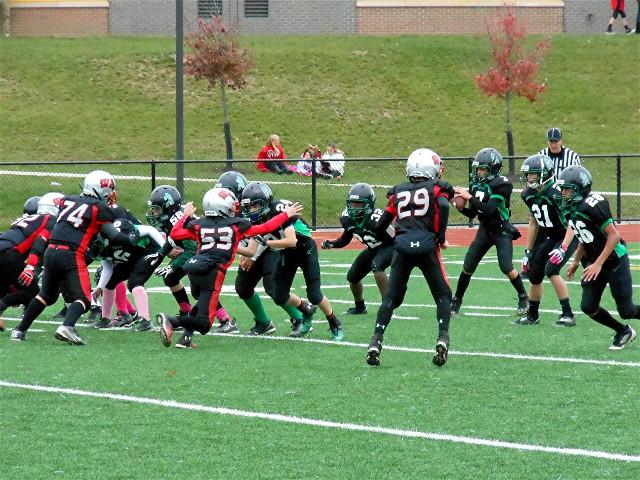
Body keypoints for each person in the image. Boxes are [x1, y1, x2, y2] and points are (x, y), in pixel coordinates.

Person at [157, 189, 303, 349]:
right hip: (213, 273)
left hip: (194, 270)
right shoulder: (236, 226)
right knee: (204, 324)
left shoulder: (199, 225)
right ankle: (171, 321)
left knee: (202, 305)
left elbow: (175, 234)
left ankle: (186, 338)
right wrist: (285, 214)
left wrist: (186, 215)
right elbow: (266, 227)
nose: (234, 208)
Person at [11, 170, 138, 344]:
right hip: (71, 254)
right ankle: (67, 327)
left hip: (51, 251)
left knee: (45, 296)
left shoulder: (67, 200)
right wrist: (131, 240)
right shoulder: (99, 208)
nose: (110, 195)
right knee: (84, 299)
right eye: (108, 191)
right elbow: (113, 236)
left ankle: (19, 330)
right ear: (100, 190)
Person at [365, 148, 454, 367]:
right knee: (443, 294)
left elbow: (381, 224)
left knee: (391, 298)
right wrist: (440, 236)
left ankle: (376, 340)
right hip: (427, 246)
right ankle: (442, 337)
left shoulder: (398, 192)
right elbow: (443, 205)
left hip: (403, 247)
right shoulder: (437, 188)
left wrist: (396, 236)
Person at [240, 181, 344, 341]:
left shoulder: (279, 210)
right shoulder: (257, 219)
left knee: (314, 295)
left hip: (305, 249)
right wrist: (232, 248)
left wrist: (267, 242)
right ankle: (306, 311)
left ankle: (334, 322)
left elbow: (291, 240)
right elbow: (251, 250)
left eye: (255, 205)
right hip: (287, 252)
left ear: (266, 202)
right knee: (279, 295)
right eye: (249, 207)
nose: (252, 210)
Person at [559, 165, 638, 349]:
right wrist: (576, 261)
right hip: (594, 261)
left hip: (614, 260)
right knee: (588, 306)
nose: (563, 193)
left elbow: (614, 235)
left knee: (627, 310)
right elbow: (584, 235)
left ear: (580, 188)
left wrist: (598, 264)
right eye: (562, 189)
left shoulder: (593, 204)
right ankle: (623, 331)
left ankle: (625, 324)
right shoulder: (570, 208)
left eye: (567, 189)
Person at [451, 148, 529, 317]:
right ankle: (456, 301)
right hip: (485, 229)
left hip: (501, 230)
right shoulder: (477, 184)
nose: (479, 172)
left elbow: (489, 210)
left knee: (506, 267)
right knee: (468, 266)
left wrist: (468, 197)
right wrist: (460, 207)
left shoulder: (502, 184)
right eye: (478, 168)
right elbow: (473, 213)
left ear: (493, 169)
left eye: (482, 169)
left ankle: (523, 296)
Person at [515, 154, 579, 327]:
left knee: (551, 269)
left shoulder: (556, 193)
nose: (529, 178)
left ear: (544, 173)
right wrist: (528, 252)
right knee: (535, 272)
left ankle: (568, 314)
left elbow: (572, 222)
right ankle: (532, 315)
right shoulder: (528, 194)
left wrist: (563, 248)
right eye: (528, 174)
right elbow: (533, 222)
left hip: (569, 235)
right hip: (552, 236)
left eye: (533, 174)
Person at [321, 183, 394, 315]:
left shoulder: (377, 219)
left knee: (377, 266)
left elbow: (396, 238)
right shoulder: (347, 219)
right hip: (373, 249)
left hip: (390, 247)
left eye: (359, 204)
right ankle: (360, 307)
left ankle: (387, 306)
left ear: (369, 204)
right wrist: (333, 244)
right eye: (352, 203)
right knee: (353, 277)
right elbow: (346, 238)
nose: (354, 207)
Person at [0, 193, 63, 332]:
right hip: (9, 253)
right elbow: (39, 243)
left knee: (5, 288)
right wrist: (30, 267)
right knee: (32, 291)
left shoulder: (27, 218)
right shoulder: (50, 220)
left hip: (4, 249)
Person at [91, 218, 165, 332]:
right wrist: (100, 287)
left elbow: (150, 230)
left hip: (149, 249)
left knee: (135, 282)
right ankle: (105, 318)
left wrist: (165, 248)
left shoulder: (121, 232)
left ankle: (145, 321)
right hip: (132, 256)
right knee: (110, 282)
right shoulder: (103, 246)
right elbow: (107, 267)